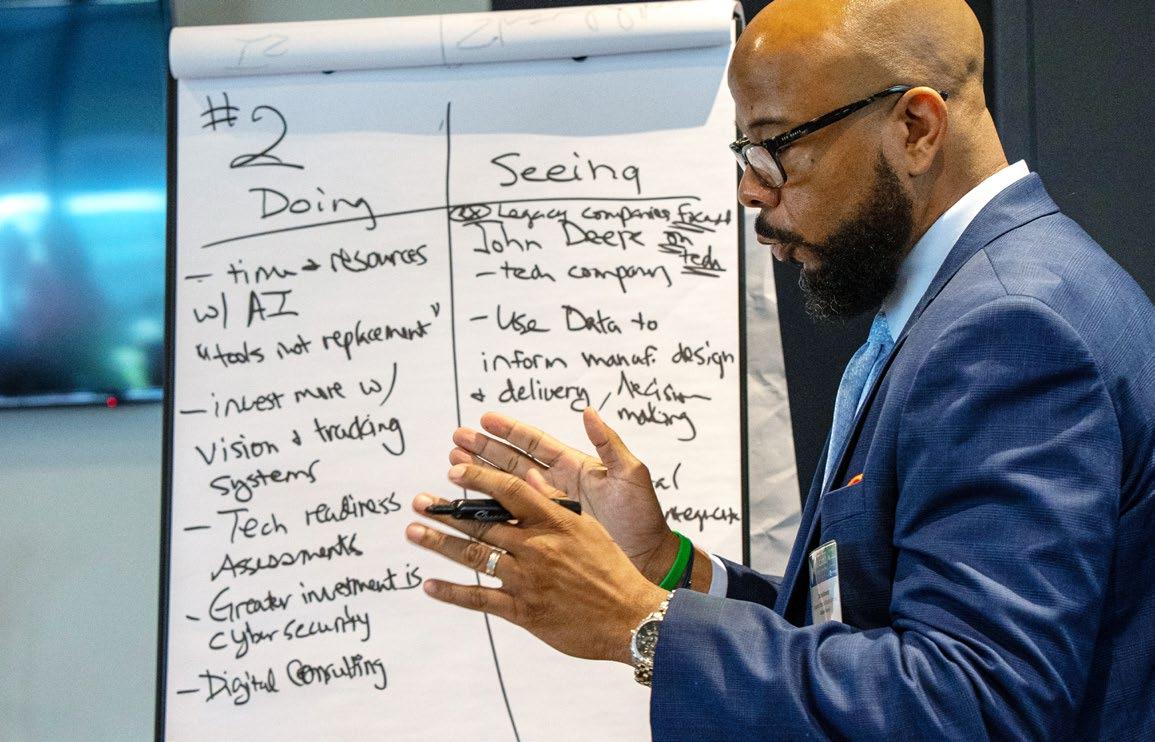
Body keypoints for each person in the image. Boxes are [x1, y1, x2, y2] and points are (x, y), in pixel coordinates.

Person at [405, 0, 1155, 738]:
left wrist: (639, 622)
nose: (750, 191)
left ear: (916, 128)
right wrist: (665, 565)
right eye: (744, 154)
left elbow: (972, 704)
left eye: (775, 146)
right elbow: (864, 629)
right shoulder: (979, 299)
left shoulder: (1010, 328)